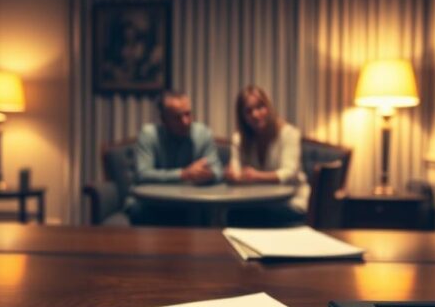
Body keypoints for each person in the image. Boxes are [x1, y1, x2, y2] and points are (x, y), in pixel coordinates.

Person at [126, 90, 222, 225]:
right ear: (164, 119)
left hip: (189, 203)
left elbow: (218, 170)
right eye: (177, 117)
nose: (185, 121)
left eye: (188, 114)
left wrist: (209, 174)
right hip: (152, 202)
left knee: (200, 212)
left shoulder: (203, 133)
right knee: (139, 210)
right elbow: (142, 174)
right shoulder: (149, 134)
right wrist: (184, 174)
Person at [225, 85, 309, 227]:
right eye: (248, 111)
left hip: (291, 201)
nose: (255, 114)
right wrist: (231, 173)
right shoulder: (239, 138)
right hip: (256, 201)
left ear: (268, 107)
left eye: (259, 107)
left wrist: (256, 176)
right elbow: (236, 168)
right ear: (242, 117)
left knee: (249, 215)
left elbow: (289, 173)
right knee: (233, 213)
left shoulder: (289, 133)